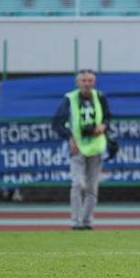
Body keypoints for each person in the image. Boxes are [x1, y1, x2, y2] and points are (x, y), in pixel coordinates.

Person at [52, 69, 113, 231]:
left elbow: (108, 117)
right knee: (78, 183)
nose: (87, 84)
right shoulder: (69, 99)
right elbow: (57, 123)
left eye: (90, 80)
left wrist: (103, 126)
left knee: (92, 186)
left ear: (94, 82)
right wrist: (69, 137)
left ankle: (87, 221)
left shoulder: (100, 97)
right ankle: (76, 220)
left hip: (96, 146)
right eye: (84, 80)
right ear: (78, 83)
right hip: (77, 147)